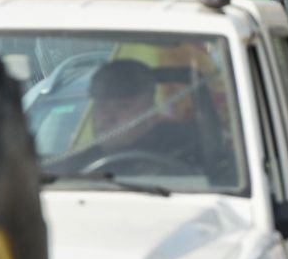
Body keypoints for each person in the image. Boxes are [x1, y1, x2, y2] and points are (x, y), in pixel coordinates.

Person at [59, 58, 199, 173]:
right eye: (101, 106)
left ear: (150, 115)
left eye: (122, 106)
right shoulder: (76, 165)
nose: (108, 117)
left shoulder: (185, 149)